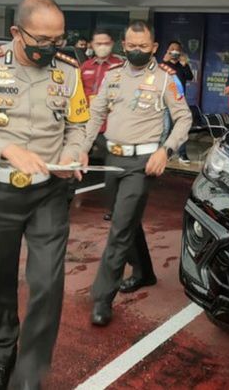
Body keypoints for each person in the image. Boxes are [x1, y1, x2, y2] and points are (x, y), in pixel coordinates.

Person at [0, 0, 89, 390]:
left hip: (49, 192)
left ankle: (30, 372)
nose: (51, 48)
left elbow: (77, 125)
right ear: (16, 32)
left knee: (47, 282)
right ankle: (3, 354)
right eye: (42, 40)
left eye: (58, 40)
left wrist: (73, 152)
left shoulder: (69, 70)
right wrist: (6, 149)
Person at [80, 20, 192, 327]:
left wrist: (165, 150)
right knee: (125, 219)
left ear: (154, 47)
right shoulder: (113, 75)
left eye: (143, 46)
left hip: (142, 163)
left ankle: (102, 297)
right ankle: (144, 272)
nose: (137, 51)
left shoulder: (166, 78)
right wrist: (83, 147)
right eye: (131, 46)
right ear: (124, 46)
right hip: (112, 158)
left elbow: (183, 118)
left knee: (119, 229)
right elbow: (96, 113)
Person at [80, 28, 123, 221]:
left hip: (110, 126)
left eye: (105, 43)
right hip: (86, 124)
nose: (102, 47)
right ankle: (64, 202)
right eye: (98, 43)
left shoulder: (120, 66)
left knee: (112, 167)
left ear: (112, 44)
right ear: (92, 45)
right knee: (74, 160)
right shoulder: (85, 67)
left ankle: (114, 208)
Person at [161, 41, 194, 165]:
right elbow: (157, 77)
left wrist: (185, 64)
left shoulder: (182, 65)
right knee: (166, 129)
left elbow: (190, 77)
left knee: (181, 129)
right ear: (168, 51)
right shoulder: (163, 65)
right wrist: (164, 62)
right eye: (172, 49)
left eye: (177, 49)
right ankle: (164, 153)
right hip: (165, 103)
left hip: (179, 102)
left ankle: (182, 154)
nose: (174, 51)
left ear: (180, 52)